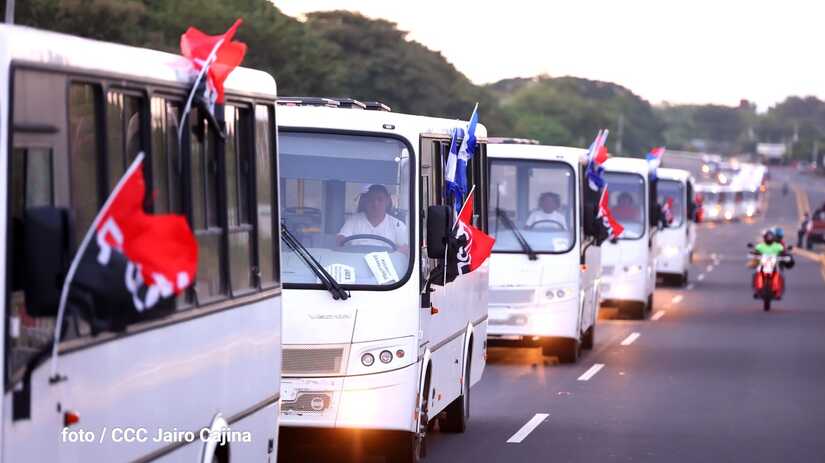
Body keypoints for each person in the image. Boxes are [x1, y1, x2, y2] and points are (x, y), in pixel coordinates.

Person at [337, 184, 409, 254]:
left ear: (387, 202)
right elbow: (340, 239)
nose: (375, 204)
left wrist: (396, 254)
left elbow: (407, 246)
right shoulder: (353, 220)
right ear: (365, 202)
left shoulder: (397, 224)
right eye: (371, 200)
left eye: (380, 200)